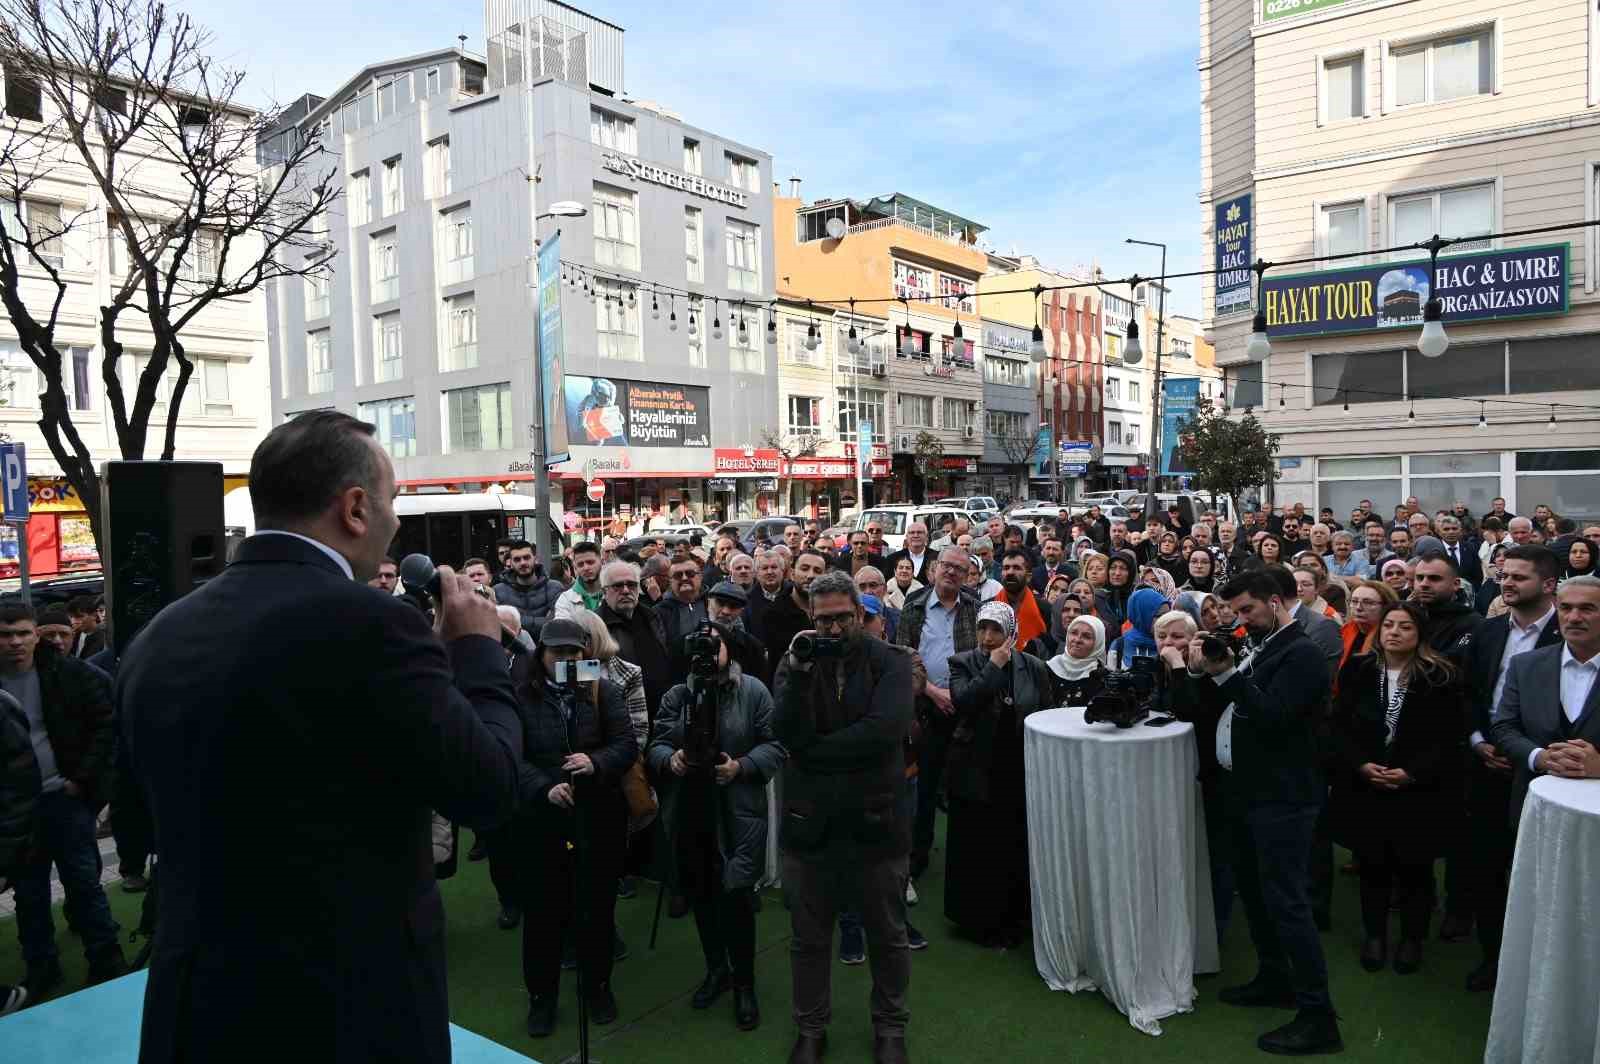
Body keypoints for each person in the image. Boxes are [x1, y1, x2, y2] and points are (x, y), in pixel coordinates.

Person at [116, 411, 522, 1063]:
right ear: (356, 507)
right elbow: (492, 790)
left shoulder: (160, 632)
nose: (395, 524)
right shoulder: (374, 627)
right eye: (392, 502)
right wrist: (476, 650)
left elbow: (137, 809)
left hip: (195, 1013)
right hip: (341, 1017)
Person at [1187, 569, 1340, 1056]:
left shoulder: (1304, 654)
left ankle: (1319, 1017)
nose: (1240, 620)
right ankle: (1275, 980)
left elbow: (1274, 717)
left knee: (1287, 903)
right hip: (1250, 791)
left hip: (1284, 797)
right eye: (1235, 612)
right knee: (1254, 892)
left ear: (1275, 602)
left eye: (1247, 610)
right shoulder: (1267, 642)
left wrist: (1227, 675)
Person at [773, 571, 915, 1064]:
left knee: (888, 936)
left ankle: (890, 1027)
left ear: (860, 615)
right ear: (811, 618)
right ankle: (810, 1028)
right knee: (809, 939)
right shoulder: (797, 660)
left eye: (841, 618)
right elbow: (783, 728)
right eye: (823, 620)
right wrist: (798, 670)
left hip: (876, 821)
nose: (832, 629)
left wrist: (813, 751)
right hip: (809, 825)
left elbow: (885, 731)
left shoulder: (892, 662)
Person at [648, 622, 784, 1033]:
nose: (708, 653)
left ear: (730, 649)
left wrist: (740, 766)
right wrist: (668, 759)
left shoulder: (754, 692)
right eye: (700, 646)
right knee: (703, 894)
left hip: (738, 810)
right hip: (691, 810)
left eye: (716, 644)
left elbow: (775, 744)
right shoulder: (679, 695)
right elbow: (655, 744)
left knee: (737, 900)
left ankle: (745, 983)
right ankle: (716, 970)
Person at [514, 618, 636, 1037]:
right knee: (544, 913)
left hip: (597, 814)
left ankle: (597, 986)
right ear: (542, 655)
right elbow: (512, 756)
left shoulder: (605, 690)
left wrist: (595, 761)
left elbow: (626, 744)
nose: (566, 659)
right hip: (543, 820)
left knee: (597, 907)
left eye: (573, 652)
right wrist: (544, 787)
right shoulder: (521, 698)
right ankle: (541, 998)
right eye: (558, 652)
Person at [0, 603, 125, 1000]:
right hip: (16, 808)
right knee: (30, 893)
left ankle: (106, 960)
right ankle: (42, 968)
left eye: (21, 632)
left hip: (64, 798)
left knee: (83, 883)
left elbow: (106, 725)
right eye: (5, 635)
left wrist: (82, 780)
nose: (15, 642)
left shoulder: (72, 673)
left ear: (35, 634)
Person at [1331, 601, 1463, 975]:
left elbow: (1448, 737)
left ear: (1419, 634)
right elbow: (1338, 725)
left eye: (1405, 627)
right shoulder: (1358, 668)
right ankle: (1375, 936)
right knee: (1372, 864)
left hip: (1417, 789)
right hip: (1367, 784)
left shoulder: (1441, 676)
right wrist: (1360, 764)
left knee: (1415, 869)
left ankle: (1412, 939)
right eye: (1389, 625)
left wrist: (1412, 772)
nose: (1394, 632)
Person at [1460, 544, 1560, 992]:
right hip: (1486, 766)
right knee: (1485, 865)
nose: (1507, 583)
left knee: (1542, 874)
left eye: (1519, 577)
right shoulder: (1488, 631)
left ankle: (1541, 967)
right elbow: (1468, 694)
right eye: (1504, 576)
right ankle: (1492, 959)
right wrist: (1479, 742)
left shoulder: (1570, 632)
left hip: (1543, 774)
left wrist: (1528, 752)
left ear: (1548, 584)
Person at [945, 601, 1052, 948]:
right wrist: (993, 667)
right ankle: (974, 920)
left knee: (1010, 842)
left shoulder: (1034, 667)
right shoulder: (963, 662)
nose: (988, 637)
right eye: (983, 629)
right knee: (976, 846)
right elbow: (964, 702)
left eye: (996, 630)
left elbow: (1045, 712)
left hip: (1016, 765)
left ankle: (1012, 917)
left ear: (1012, 633)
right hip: (975, 766)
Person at [898, 547, 979, 886]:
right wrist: (931, 691)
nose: (951, 572)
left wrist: (960, 695)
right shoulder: (914, 604)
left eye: (959, 568)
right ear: (933, 569)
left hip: (966, 708)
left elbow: (984, 654)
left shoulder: (975, 606)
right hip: (927, 708)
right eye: (946, 565)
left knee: (965, 786)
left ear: (967, 575)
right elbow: (904, 654)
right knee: (925, 787)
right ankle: (917, 857)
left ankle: (966, 858)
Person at [1488, 572, 1600, 816]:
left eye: (1587, 609)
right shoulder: (1525, 665)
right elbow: (1504, 726)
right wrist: (1540, 757)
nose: (1574, 618)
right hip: (1535, 809)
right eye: (1566, 608)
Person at [496, 540, 563, 637]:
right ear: (511, 563)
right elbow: (501, 626)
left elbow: (558, 623)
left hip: (549, 646)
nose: (522, 563)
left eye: (526, 558)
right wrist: (545, 620)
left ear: (535, 559)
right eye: (517, 559)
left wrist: (516, 621)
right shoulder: (498, 591)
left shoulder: (555, 587)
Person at [994, 548, 1050, 657]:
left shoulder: (1045, 610)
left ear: (1028, 577)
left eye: (1016, 568)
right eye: (1006, 568)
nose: (1010, 572)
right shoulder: (989, 607)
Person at [1044, 614, 1108, 706]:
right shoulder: (1048, 668)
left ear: (1097, 643)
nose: (1077, 640)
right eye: (1073, 633)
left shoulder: (1101, 678)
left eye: (1086, 636)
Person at [1108, 587, 1164, 669]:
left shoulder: (1171, 645)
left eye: (1168, 614)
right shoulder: (1119, 645)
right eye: (1159, 616)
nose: (1165, 620)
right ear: (1142, 616)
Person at [553, 541, 606, 619]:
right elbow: (563, 629)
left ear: (601, 562)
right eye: (580, 564)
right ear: (575, 567)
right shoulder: (566, 599)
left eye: (590, 562)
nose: (586, 568)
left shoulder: (614, 592)